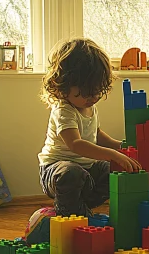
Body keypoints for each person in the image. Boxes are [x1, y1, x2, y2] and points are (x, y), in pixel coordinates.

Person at [36, 38, 142, 218]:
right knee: (71, 173)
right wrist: (111, 153)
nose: (92, 98)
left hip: (86, 169)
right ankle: (71, 214)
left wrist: (120, 147)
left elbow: (97, 135)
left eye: (97, 92)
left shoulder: (89, 106)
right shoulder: (64, 110)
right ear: (63, 86)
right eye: (86, 93)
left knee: (111, 169)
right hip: (55, 170)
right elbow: (76, 144)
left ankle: (78, 206)